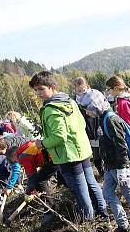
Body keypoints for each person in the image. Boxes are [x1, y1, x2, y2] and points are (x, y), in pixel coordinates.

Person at [30, 71, 107, 222]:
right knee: (91, 183)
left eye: (41, 89)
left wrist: (43, 143)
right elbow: (82, 123)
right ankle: (103, 214)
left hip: (67, 155)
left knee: (80, 191)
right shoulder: (69, 101)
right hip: (82, 149)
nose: (38, 93)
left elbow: (59, 136)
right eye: (36, 90)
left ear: (52, 87)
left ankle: (89, 222)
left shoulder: (51, 109)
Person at [79, 92, 130, 232]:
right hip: (110, 167)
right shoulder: (102, 119)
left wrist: (122, 169)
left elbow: (121, 145)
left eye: (88, 108)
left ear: (95, 105)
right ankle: (123, 225)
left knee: (128, 192)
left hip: (119, 167)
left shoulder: (111, 120)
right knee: (107, 193)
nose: (87, 112)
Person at [74, 77, 104, 175]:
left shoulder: (95, 95)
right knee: (95, 153)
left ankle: (107, 169)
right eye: (78, 91)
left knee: (103, 148)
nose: (81, 93)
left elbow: (102, 110)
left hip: (98, 125)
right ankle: (100, 169)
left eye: (82, 90)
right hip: (87, 128)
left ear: (88, 86)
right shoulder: (76, 100)